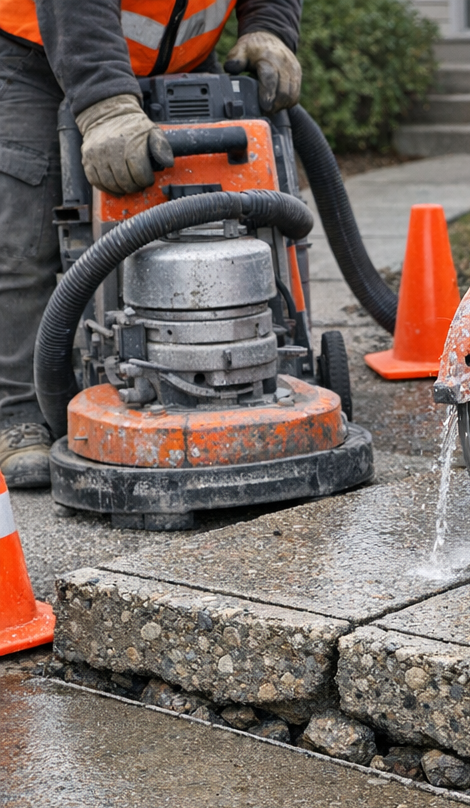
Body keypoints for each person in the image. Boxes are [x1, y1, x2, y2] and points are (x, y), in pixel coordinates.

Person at [0, 0, 302, 487]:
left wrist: (269, 28)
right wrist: (104, 105)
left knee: (207, 223)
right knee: (21, 244)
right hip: (37, 52)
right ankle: (17, 415)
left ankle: (211, 375)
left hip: (182, 60)